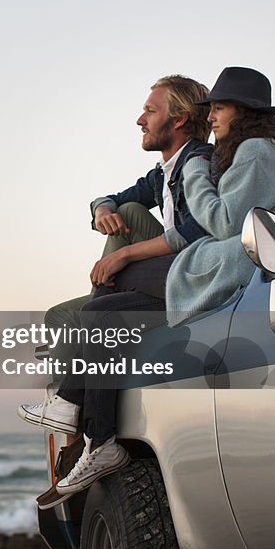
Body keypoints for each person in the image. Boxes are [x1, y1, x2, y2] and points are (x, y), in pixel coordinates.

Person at [34, 66, 275, 507]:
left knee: (100, 306)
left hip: (224, 268)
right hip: (216, 262)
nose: (213, 115)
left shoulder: (222, 157)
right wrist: (103, 209)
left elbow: (211, 225)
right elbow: (118, 197)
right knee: (85, 307)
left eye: (220, 106)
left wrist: (125, 253)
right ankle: (78, 418)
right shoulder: (205, 161)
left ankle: (78, 419)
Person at [18, 75, 213, 432]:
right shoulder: (162, 176)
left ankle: (76, 407)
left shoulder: (200, 163)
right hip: (162, 274)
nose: (140, 121)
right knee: (60, 315)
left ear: (180, 119)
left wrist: (124, 256)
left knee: (94, 310)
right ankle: (68, 413)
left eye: (150, 111)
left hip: (193, 277)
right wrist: (101, 211)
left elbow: (200, 231)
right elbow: (107, 198)